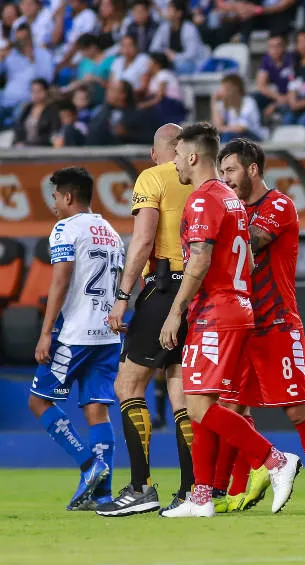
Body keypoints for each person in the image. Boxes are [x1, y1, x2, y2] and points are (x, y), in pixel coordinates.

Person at [158, 122, 301, 518]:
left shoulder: (203, 200)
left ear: (191, 156)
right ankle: (201, 497)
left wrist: (176, 311)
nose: (174, 163)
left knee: (197, 406)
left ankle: (273, 460)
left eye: (177, 155)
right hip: (238, 307)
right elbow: (250, 257)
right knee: (209, 403)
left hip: (215, 312)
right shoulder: (232, 199)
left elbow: (200, 258)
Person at [212, 139, 305, 515]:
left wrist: (213, 233)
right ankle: (237, 484)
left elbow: (254, 240)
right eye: (221, 173)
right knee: (230, 408)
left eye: (231, 170)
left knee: (297, 410)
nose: (226, 179)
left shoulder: (278, 205)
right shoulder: (234, 208)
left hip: (277, 324)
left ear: (252, 169)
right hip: (243, 327)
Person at [99, 124, 194, 517]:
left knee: (128, 384)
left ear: (160, 151)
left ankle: (141, 487)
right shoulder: (209, 182)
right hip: (197, 292)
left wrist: (122, 297)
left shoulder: (152, 176)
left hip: (164, 287)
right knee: (182, 393)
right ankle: (193, 490)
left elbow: (141, 240)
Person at [29, 167, 122, 511]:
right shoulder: (111, 231)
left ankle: (88, 465)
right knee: (97, 411)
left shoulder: (66, 228)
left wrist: (45, 332)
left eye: (55, 196)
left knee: (38, 402)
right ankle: (104, 497)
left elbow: (61, 280)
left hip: (75, 335)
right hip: (108, 335)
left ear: (68, 196)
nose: (53, 202)